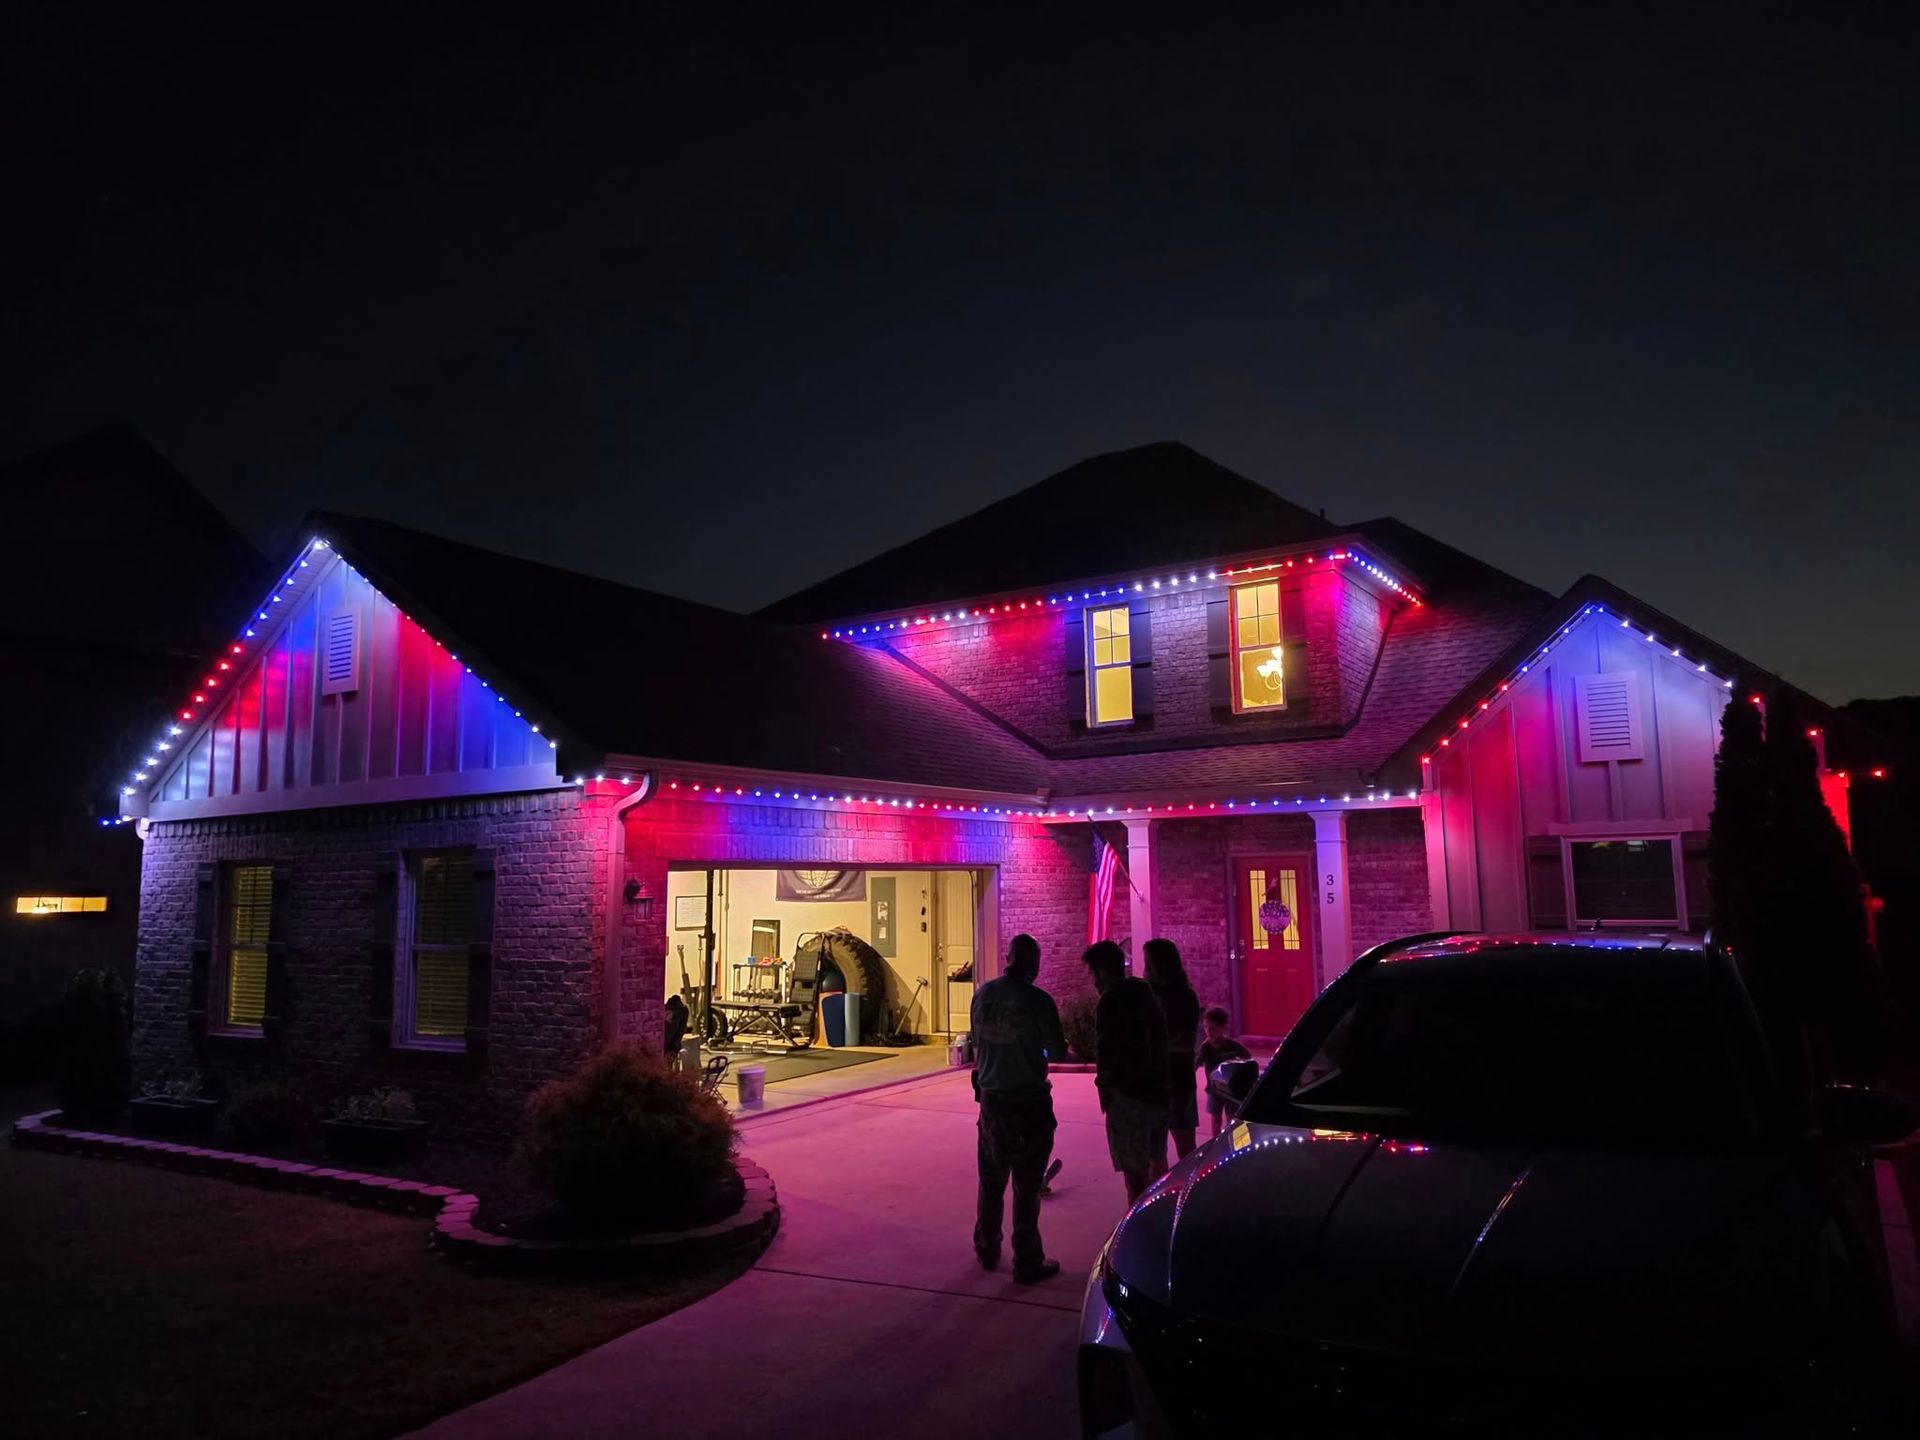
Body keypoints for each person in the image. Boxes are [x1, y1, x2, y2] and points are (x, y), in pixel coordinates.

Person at [970, 933, 1067, 1284]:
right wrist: (1036, 1051)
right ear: (1034, 962)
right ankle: (1027, 1259)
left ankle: (987, 1248)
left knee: (991, 1179)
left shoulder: (983, 995)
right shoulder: (1039, 1001)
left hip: (992, 1100)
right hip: (1028, 1102)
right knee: (1026, 1186)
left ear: (1008, 958)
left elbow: (977, 1042)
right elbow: (1056, 1051)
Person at [1082, 940, 1168, 1204]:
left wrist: (1105, 1087)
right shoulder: (1147, 994)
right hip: (1157, 1092)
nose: (1093, 981)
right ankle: (1158, 1217)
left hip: (1127, 1096)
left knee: (1135, 1175)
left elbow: (1107, 1050)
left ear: (1104, 972)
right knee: (1157, 1162)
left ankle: (1139, 1227)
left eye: (1093, 973)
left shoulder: (1110, 1003)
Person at [1142, 938, 1203, 1160]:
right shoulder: (1150, 995)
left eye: (1149, 963)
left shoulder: (1181, 997)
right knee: (1158, 1151)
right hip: (1160, 1079)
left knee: (1182, 1149)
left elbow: (1184, 1041)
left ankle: (1185, 1192)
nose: (1145, 969)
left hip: (1175, 1077)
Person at [1196, 1005, 1252, 1139]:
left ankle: (1231, 1141)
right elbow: (1197, 1062)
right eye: (1206, 1027)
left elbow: (1248, 1058)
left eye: (1213, 1029)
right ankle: (1215, 1142)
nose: (1209, 1031)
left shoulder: (1233, 1046)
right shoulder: (1206, 1047)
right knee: (1215, 1120)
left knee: (1232, 1119)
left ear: (1223, 1028)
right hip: (1214, 1090)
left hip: (1231, 1090)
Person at [663, 994, 690, 1066]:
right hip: (672, 1044)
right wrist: (675, 1047)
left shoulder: (665, 1008)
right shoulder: (683, 1010)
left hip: (663, 1042)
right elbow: (681, 1030)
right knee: (669, 1066)